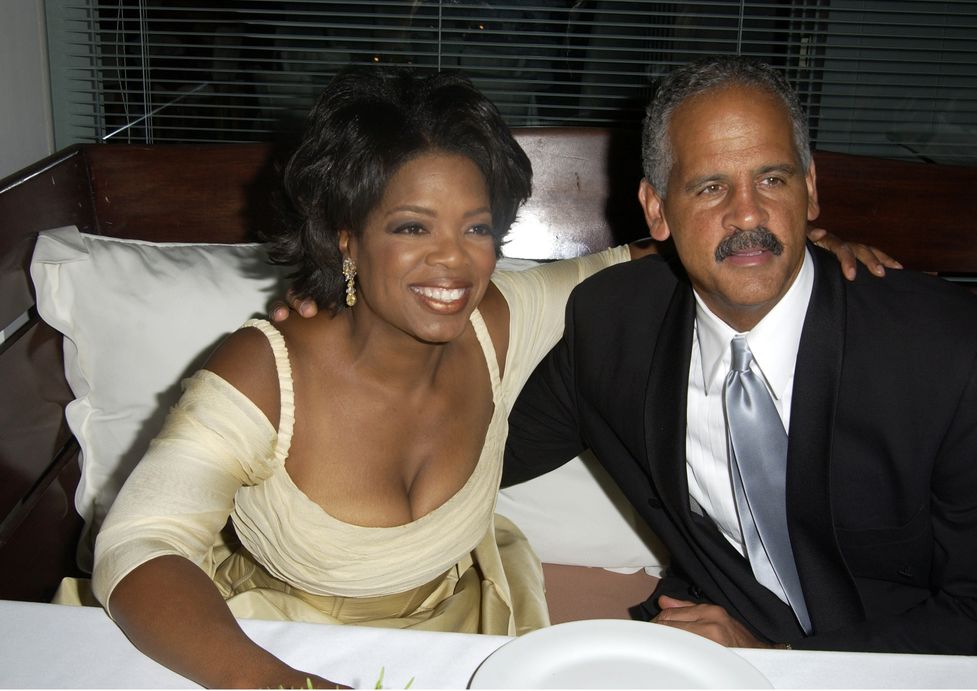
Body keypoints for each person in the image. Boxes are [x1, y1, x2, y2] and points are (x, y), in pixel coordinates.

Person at [89, 66, 650, 689]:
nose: (454, 259)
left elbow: (632, 267)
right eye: (413, 226)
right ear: (345, 238)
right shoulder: (265, 373)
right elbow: (140, 545)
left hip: (462, 636)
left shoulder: (499, 323)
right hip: (272, 642)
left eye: (477, 227)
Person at [501, 55, 977, 655]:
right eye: (711, 187)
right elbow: (486, 455)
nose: (748, 214)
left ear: (811, 189)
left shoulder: (953, 353)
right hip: (708, 643)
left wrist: (782, 664)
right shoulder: (613, 323)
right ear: (656, 209)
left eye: (773, 179)